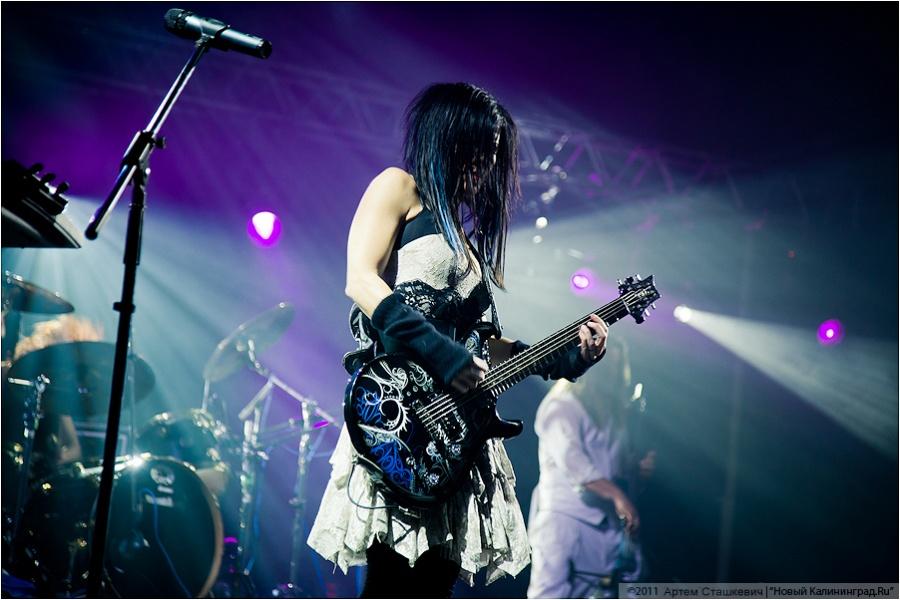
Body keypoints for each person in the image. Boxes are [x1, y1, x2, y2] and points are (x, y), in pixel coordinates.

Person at [307, 83, 609, 598]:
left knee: (431, 587)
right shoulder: (399, 188)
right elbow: (361, 281)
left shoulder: (467, 246)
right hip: (403, 418)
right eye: (479, 150)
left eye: (493, 155)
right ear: (447, 138)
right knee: (389, 585)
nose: (486, 165)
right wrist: (445, 356)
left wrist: (568, 359)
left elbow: (486, 348)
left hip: (455, 439)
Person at [527, 339, 656, 599]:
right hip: (563, 521)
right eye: (606, 367)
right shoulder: (560, 407)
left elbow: (614, 468)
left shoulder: (615, 417)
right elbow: (575, 464)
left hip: (605, 527)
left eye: (617, 368)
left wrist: (637, 469)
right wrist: (617, 496)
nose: (612, 375)